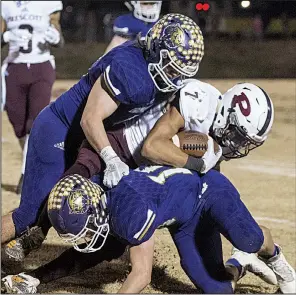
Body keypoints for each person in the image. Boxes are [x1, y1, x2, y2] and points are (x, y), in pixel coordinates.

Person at [3, 82, 271, 261]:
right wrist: (198, 164)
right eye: (238, 135)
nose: (238, 145)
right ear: (227, 113)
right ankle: (35, 233)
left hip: (138, 167)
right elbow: (153, 147)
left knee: (115, 232)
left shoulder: (212, 139)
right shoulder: (199, 102)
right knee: (71, 190)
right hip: (120, 140)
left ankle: (56, 271)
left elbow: (211, 186)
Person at [1, 13, 204, 247]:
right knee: (29, 215)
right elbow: (90, 119)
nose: (176, 77)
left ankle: (25, 247)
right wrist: (111, 158)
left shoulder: (151, 69)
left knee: (84, 204)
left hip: (89, 138)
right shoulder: (130, 69)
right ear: (157, 50)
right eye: (172, 68)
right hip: (61, 129)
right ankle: (25, 240)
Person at [3, 168, 295, 293]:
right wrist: (35, 277)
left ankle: (280, 265)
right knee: (217, 290)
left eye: (85, 229)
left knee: (251, 239)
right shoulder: (98, 195)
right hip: (183, 218)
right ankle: (239, 263)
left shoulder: (129, 213)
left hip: (209, 193)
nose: (85, 238)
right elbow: (82, 258)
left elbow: (140, 276)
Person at [1, 1, 64, 194]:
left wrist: (55, 36)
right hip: (15, 68)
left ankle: (26, 173)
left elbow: (59, 39)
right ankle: (31, 159)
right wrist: (6, 36)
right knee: (18, 124)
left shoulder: (49, 3)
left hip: (41, 67)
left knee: (35, 122)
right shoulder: (6, 4)